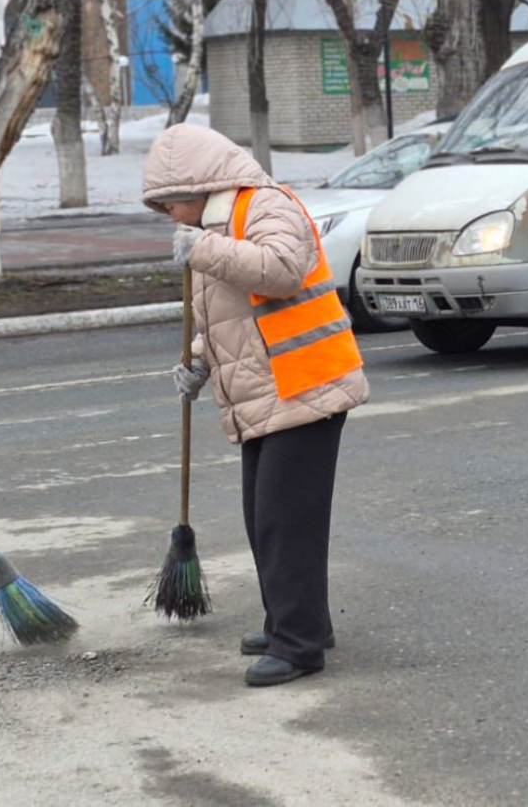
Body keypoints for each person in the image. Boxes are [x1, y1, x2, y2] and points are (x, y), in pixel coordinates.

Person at [143, 124, 369, 687]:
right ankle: (298, 623)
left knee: (285, 520)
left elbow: (281, 272)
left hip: (306, 385)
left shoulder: (265, 206)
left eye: (172, 201)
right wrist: (200, 359)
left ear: (200, 183)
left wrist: (206, 250)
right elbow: (236, 319)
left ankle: (299, 647)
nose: (172, 214)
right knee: (262, 517)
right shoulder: (214, 226)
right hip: (268, 388)